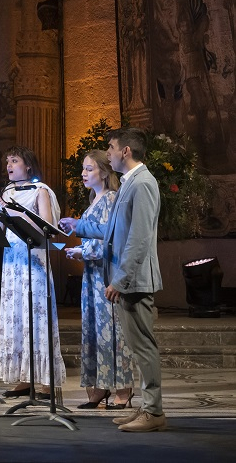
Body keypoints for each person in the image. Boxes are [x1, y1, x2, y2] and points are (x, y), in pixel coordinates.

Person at [60, 128, 166, 432]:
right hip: (126, 278)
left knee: (143, 347)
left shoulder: (143, 184)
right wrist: (79, 225)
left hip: (135, 280)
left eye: (111, 147)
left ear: (126, 151)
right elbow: (113, 231)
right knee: (137, 347)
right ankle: (147, 408)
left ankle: (154, 412)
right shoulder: (131, 184)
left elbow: (139, 238)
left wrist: (120, 280)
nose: (108, 153)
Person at [63, 150, 135, 409]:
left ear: (104, 173)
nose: (84, 173)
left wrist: (83, 250)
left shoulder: (111, 199)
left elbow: (114, 239)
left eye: (89, 169)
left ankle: (123, 389)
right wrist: (79, 250)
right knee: (95, 332)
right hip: (91, 278)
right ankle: (100, 386)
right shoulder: (94, 200)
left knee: (113, 332)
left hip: (107, 275)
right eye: (83, 168)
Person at [0, 146, 66, 398]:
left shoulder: (41, 190)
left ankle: (45, 381)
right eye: (7, 161)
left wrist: (17, 213)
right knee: (16, 316)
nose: (9, 165)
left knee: (35, 315)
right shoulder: (6, 192)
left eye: (14, 160)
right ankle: (24, 377)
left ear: (28, 166)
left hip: (34, 258)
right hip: (12, 261)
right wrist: (1, 213)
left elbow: (49, 228)